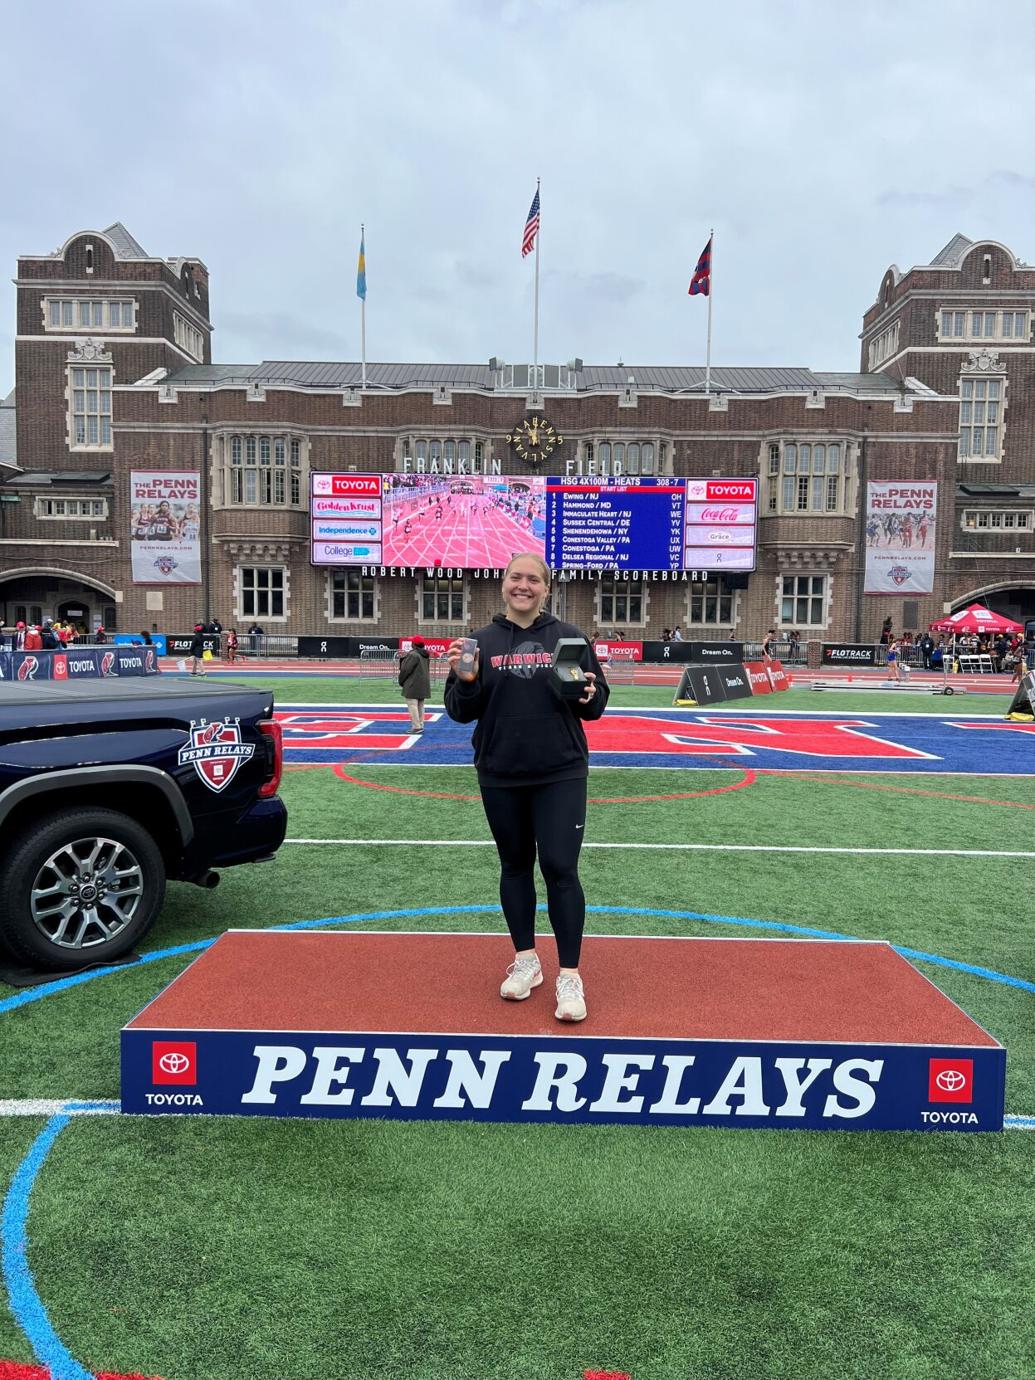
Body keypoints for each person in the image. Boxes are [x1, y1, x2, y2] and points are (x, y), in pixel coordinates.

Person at [444, 553, 609, 1024]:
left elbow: (593, 707)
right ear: (503, 584)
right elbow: (460, 711)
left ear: (546, 587)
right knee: (515, 866)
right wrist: (466, 681)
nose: (524, 585)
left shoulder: (568, 637)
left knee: (561, 868)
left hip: (561, 770)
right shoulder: (479, 642)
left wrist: (588, 694)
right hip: (500, 771)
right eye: (516, 577)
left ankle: (570, 975)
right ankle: (526, 960)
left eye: (533, 579)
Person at [398, 635, 432, 733]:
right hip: (423, 683)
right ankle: (420, 724)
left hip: (413, 684)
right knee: (420, 705)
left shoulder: (413, 655)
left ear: (414, 644)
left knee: (412, 705)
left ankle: (416, 727)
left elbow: (405, 670)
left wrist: (401, 680)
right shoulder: (425, 654)